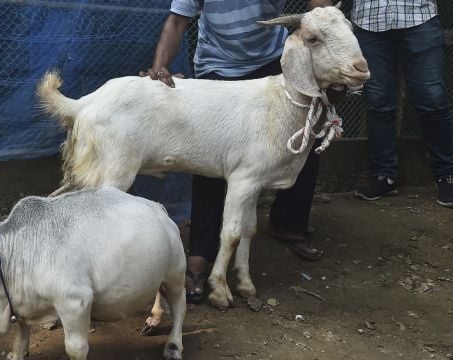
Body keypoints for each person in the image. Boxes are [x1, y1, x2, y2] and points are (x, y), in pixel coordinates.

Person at [141, 0, 333, 304]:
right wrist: (160, 67)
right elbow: (177, 21)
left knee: (303, 137)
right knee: (211, 157)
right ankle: (200, 255)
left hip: (272, 60)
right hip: (219, 64)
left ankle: (288, 223)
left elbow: (321, 7)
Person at [352, 0, 453, 208]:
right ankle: (383, 176)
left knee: (432, 99)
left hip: (419, 17)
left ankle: (447, 175)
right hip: (368, 21)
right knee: (378, 102)